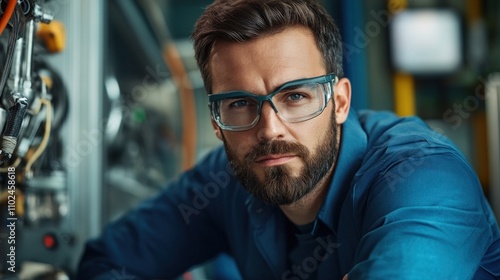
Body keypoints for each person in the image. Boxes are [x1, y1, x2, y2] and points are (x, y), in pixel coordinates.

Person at [77, 0, 500, 279]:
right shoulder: (224, 182)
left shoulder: (425, 178)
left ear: (339, 101)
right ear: (216, 122)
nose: (270, 129)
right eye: (240, 103)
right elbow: (106, 263)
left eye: (295, 96)